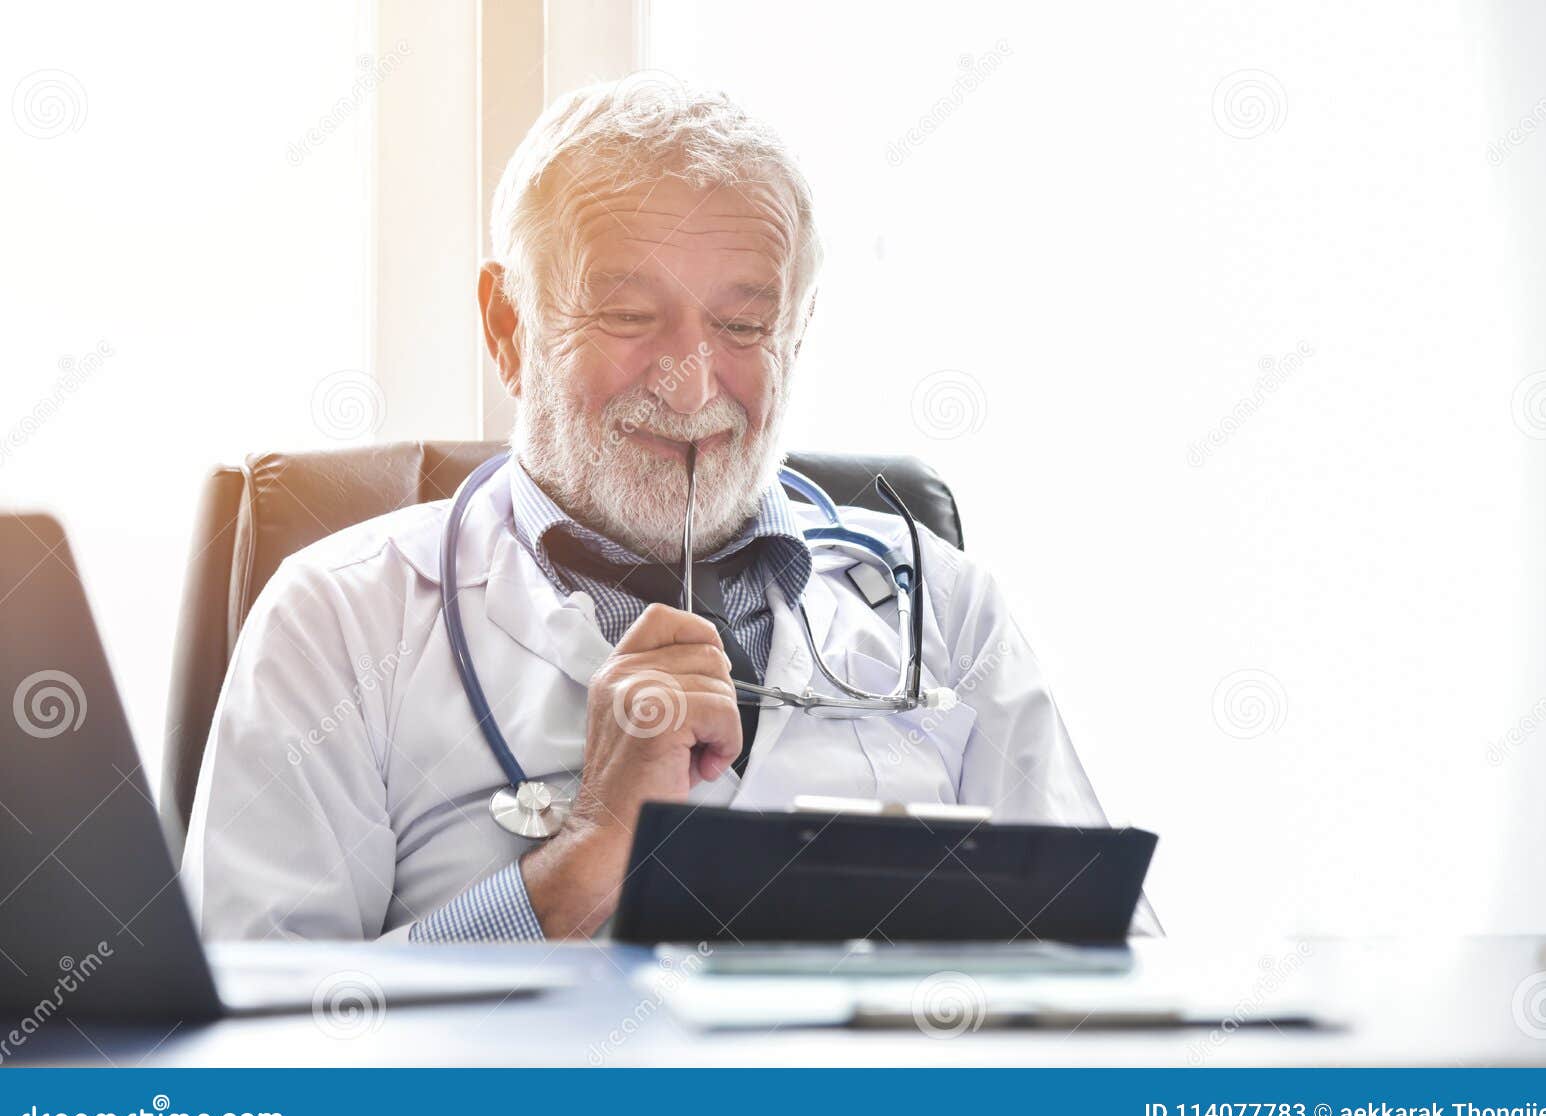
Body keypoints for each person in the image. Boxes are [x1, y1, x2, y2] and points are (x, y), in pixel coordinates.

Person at [181, 78, 1156, 941]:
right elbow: (257, 1061)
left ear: (797, 335)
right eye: (628, 316)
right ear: (508, 325)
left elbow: (1118, 996)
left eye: (742, 325)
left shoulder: (947, 615)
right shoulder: (341, 622)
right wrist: (580, 865)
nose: (692, 387)